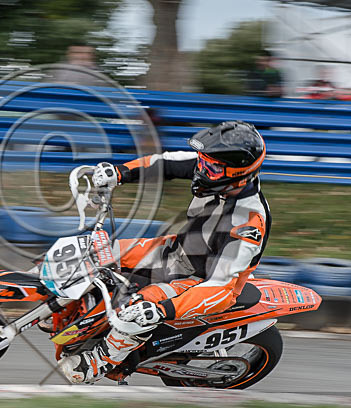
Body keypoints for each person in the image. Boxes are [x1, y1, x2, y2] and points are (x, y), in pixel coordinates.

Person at [57, 121, 271, 384]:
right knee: (92, 254)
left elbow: (222, 288)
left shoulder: (248, 223)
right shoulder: (214, 168)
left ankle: (99, 362)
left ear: (239, 173)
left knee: (136, 310)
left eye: (211, 167)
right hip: (174, 250)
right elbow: (165, 162)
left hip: (199, 281)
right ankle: (62, 312)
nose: (201, 170)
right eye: (202, 162)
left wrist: (163, 309)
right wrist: (119, 173)